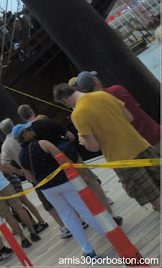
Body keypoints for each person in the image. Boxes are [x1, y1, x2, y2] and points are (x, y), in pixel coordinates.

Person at [54, 83, 160, 212]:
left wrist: (83, 142)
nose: (68, 106)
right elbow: (130, 117)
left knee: (153, 195)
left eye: (65, 104)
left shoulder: (77, 114)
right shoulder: (104, 94)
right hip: (142, 145)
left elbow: (93, 147)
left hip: (122, 159)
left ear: (66, 99)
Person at [14, 122, 108, 259]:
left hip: (47, 189)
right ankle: (108, 236)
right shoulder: (43, 143)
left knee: (68, 218)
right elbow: (62, 158)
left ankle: (88, 251)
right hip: (65, 182)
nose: (32, 130)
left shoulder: (21, 155)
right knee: (84, 209)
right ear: (25, 134)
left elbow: (30, 177)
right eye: (29, 129)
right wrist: (80, 174)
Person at [18, 103, 119, 222]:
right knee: (92, 183)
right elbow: (70, 136)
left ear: (22, 117)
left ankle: (89, 218)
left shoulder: (29, 134)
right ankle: (110, 215)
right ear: (32, 111)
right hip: (71, 157)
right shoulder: (47, 122)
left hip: (57, 168)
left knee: (74, 193)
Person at [0, 117, 72, 239]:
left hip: (34, 175)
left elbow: (4, 162)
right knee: (66, 194)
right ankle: (79, 219)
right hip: (50, 165)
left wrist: (19, 171)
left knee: (48, 203)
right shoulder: (27, 130)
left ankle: (63, 227)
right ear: (12, 125)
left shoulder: (6, 145)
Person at [72, 70, 160, 153]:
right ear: (96, 81)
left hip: (136, 146)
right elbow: (136, 105)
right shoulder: (117, 89)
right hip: (154, 132)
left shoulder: (91, 107)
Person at [0, 140, 48, 233]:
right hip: (6, 184)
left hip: (12, 181)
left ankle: (40, 221)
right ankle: (33, 223)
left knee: (24, 202)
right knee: (19, 206)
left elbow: (9, 172)